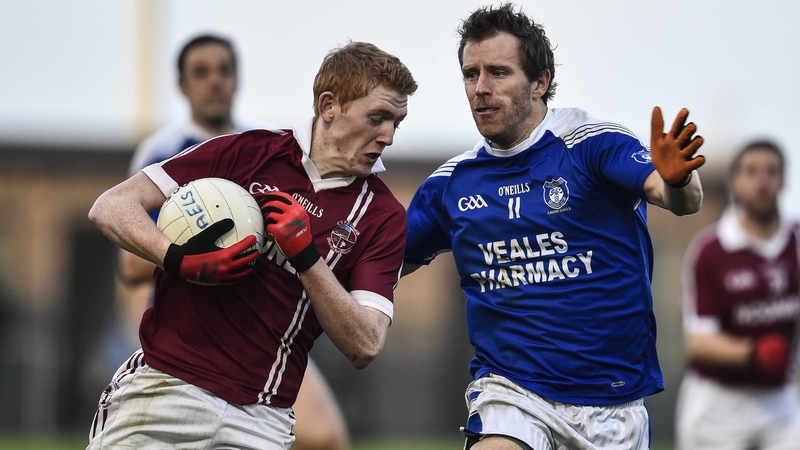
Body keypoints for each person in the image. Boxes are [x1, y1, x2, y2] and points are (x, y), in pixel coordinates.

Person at [86, 40, 417, 450]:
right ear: (329, 106)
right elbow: (111, 206)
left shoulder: (383, 216)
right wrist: (181, 260)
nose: (387, 137)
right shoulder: (247, 151)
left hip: (260, 419)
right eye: (377, 118)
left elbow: (366, 344)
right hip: (165, 388)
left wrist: (307, 258)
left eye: (395, 123)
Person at [402, 4, 705, 449]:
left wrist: (680, 177)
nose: (480, 89)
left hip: (611, 404)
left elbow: (679, 199)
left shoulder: (592, 146)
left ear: (539, 81)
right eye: (471, 74)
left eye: (498, 73)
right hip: (512, 394)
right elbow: (379, 266)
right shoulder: (452, 184)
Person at [675, 140, 800, 450]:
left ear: (783, 180)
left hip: (779, 400)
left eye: (771, 172)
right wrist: (755, 353)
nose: (762, 182)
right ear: (734, 183)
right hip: (719, 404)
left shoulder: (796, 240)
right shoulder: (711, 251)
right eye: (751, 172)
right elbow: (699, 343)